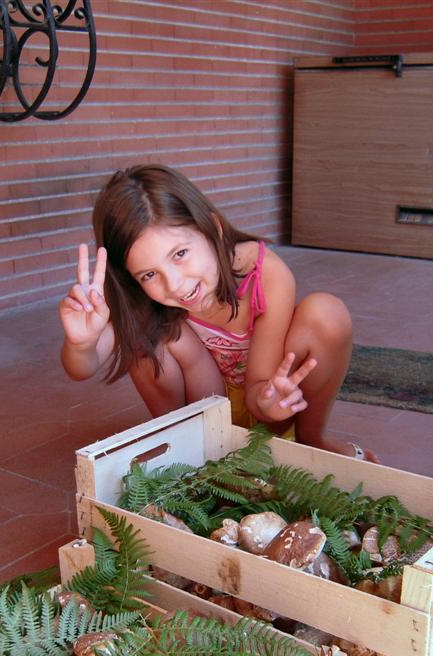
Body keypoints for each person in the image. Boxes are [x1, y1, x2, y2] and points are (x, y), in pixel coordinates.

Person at [59, 164, 377, 462]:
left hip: (271, 405)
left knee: (326, 313)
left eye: (180, 253)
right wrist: (81, 342)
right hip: (205, 417)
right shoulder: (139, 297)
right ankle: (187, 451)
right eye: (149, 274)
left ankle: (311, 440)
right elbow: (82, 368)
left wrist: (270, 401)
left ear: (213, 228)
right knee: (145, 336)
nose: (175, 284)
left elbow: (260, 391)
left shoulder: (264, 273)